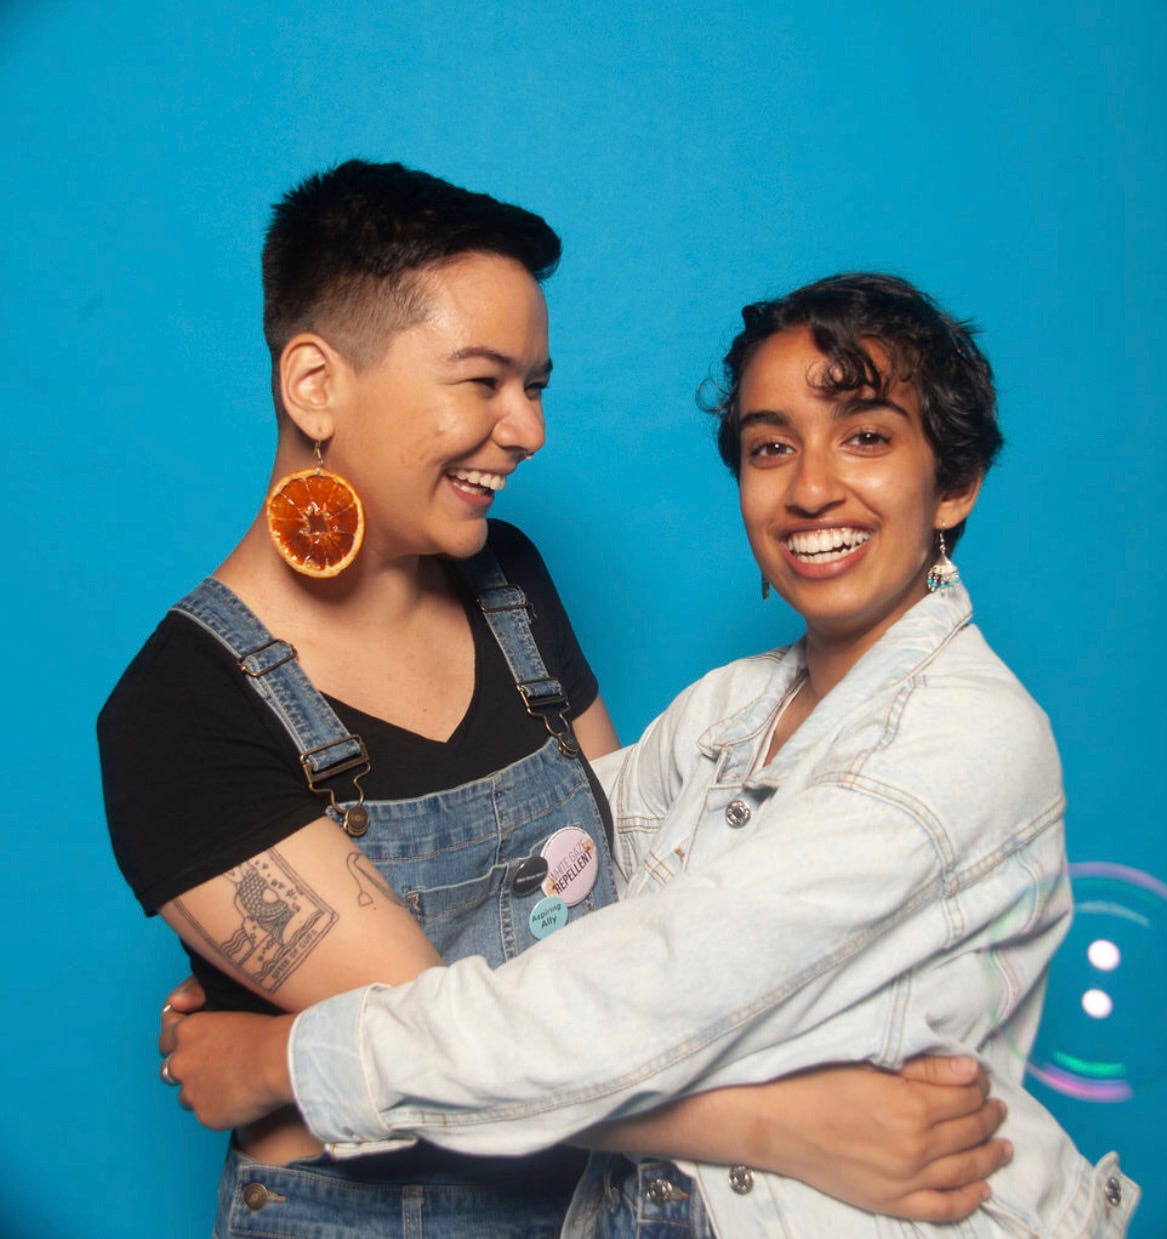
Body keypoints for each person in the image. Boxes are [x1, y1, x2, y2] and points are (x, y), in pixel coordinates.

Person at [101, 165, 1009, 1239]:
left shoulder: (506, 583)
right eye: (482, 382)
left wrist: (268, 1062)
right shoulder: (181, 712)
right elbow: (437, 1050)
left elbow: (626, 904)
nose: (527, 429)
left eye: (534, 385)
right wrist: (795, 1127)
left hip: (608, 1202)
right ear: (314, 387)